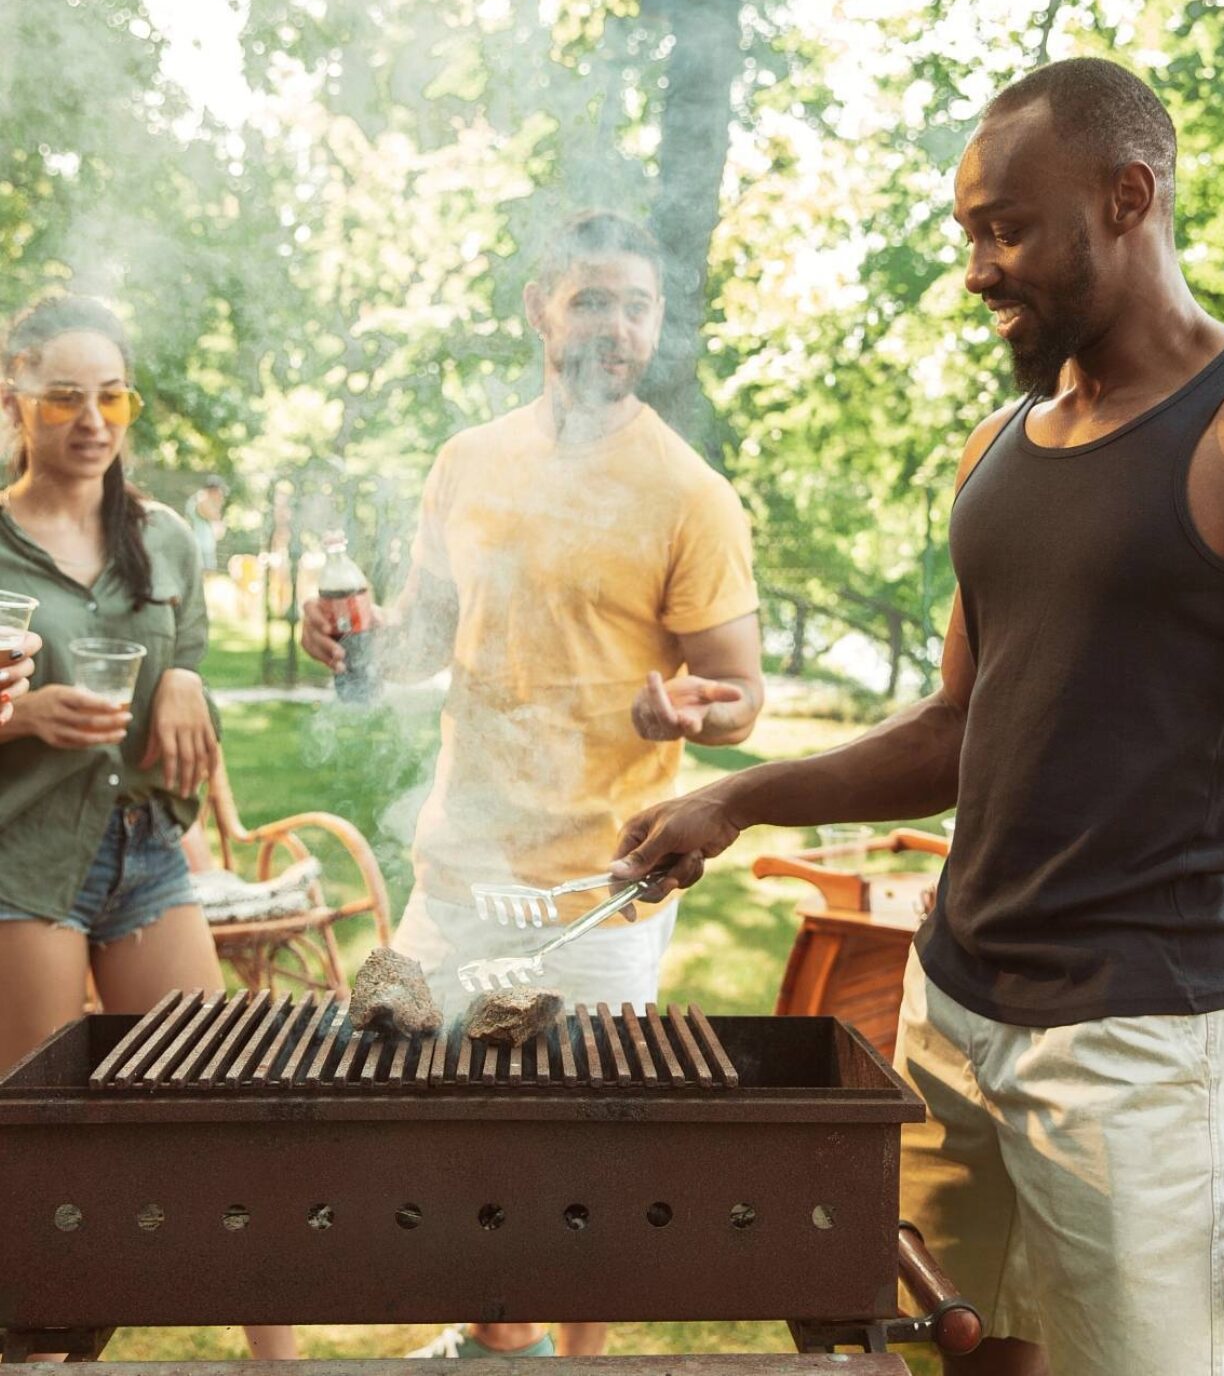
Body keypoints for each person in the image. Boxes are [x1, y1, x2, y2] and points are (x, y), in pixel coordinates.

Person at [608, 59, 1224, 1376]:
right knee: (972, 1355)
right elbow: (955, 732)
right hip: (953, 1016)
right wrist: (734, 796)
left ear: (1128, 198)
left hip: (1144, 1057)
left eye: (1006, 229)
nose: (977, 270)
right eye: (967, 235)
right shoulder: (998, 448)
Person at [301, 210, 764, 1360]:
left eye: (638, 306)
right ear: (541, 306)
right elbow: (422, 638)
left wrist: (694, 708)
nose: (615, 326)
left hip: (596, 890)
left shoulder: (688, 492)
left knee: (582, 1161)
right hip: (458, 867)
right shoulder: (470, 460)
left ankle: (578, 1361)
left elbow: (740, 690)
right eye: (593, 298)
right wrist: (354, 639)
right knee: (451, 1136)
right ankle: (493, 1338)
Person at [0, 295, 298, 1364]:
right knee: (43, 1134)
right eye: (64, 397)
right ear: (15, 400)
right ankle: (44, 1351)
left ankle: (281, 1365)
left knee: (214, 1107)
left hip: (146, 854)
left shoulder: (163, 537)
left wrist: (180, 678)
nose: (93, 419)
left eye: (112, 395)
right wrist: (22, 715)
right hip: (25, 862)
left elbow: (192, 652)